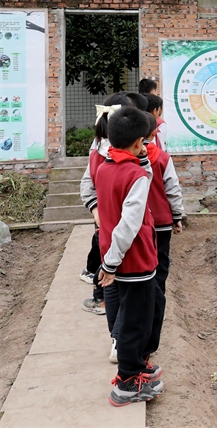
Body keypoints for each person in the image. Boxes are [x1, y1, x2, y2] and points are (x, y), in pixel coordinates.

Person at [95, 106, 165, 406]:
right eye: (145, 142)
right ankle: (126, 383)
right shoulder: (134, 175)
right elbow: (129, 223)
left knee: (139, 314)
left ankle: (136, 365)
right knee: (136, 321)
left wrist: (109, 259)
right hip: (132, 260)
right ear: (138, 142)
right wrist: (111, 262)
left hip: (117, 255)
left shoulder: (105, 167)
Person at [80, 93, 132, 317]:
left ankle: (102, 301)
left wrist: (95, 210)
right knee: (113, 259)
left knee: (106, 255)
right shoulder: (117, 151)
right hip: (116, 213)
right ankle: (105, 302)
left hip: (103, 213)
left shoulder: (97, 145)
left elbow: (86, 182)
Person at [143, 114, 184, 294]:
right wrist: (177, 216)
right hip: (161, 221)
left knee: (141, 264)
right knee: (160, 262)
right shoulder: (163, 158)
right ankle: (157, 304)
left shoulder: (124, 158)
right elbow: (173, 190)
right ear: (154, 132)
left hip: (137, 223)